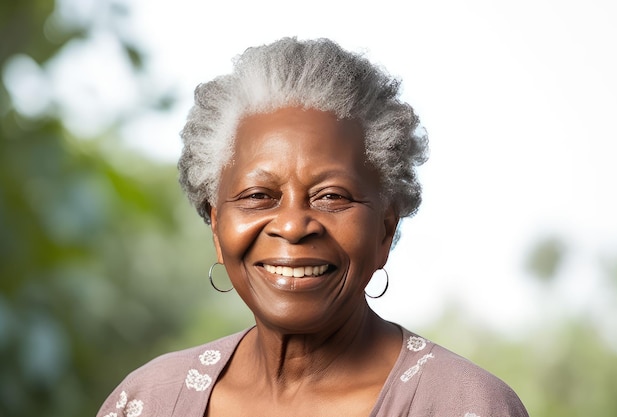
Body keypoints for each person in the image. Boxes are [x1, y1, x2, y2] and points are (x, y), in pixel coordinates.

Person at [97, 37, 529, 417]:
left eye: (332, 196)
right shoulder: (146, 402)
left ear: (385, 229)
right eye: (257, 196)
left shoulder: (466, 406)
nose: (292, 225)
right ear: (216, 224)